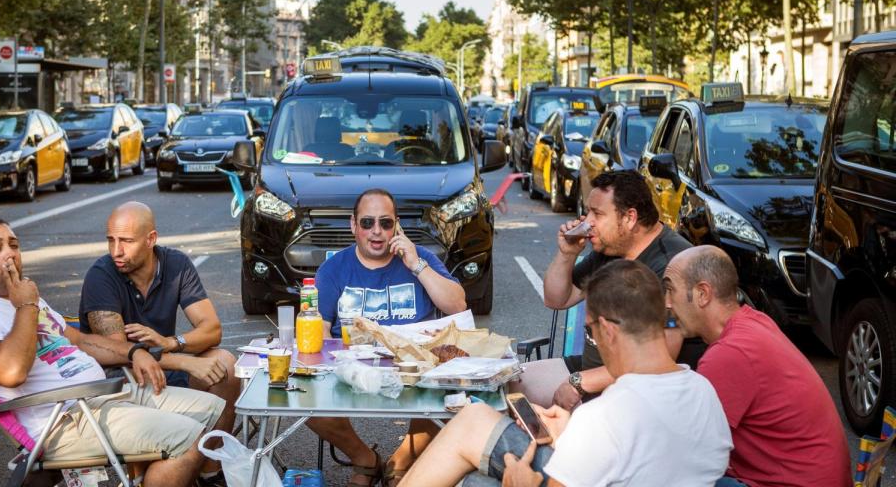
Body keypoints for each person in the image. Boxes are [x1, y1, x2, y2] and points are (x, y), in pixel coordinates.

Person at [399, 259, 732, 487]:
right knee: (476, 481)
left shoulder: (607, 415)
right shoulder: (705, 392)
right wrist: (571, 435)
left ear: (609, 331)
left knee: (473, 420)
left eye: (591, 331)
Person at [0, 217, 225, 487]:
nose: (10, 254)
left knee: (212, 410)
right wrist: (26, 307)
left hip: (102, 395)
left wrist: (134, 352)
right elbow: (11, 373)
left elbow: (79, 341)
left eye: (14, 245)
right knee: (190, 438)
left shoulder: (20, 294)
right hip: (66, 418)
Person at [313, 188, 466, 486]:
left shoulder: (419, 257)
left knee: (451, 397)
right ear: (353, 225)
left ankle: (400, 461)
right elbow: (318, 331)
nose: (377, 231)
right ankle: (364, 459)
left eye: (385, 223)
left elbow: (457, 304)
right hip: (351, 370)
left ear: (397, 225)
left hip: (415, 371)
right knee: (301, 397)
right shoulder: (333, 269)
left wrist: (415, 265)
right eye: (367, 223)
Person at [663, 245, 852, 487]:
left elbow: (687, 450)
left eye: (670, 290)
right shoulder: (754, 320)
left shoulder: (728, 354)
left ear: (702, 293)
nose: (667, 303)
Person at [79, 202, 240, 483]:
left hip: (163, 364)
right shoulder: (101, 275)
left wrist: (170, 342)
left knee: (225, 364)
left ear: (151, 239)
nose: (116, 250)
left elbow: (211, 329)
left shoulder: (175, 264)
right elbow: (121, 354)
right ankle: (154, 474)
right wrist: (184, 360)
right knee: (148, 376)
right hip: (121, 380)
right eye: (111, 240)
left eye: (126, 241)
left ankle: (210, 471)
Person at [520, 169, 695, 409]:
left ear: (629, 218)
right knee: (513, 382)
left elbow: (662, 358)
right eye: (588, 211)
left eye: (597, 213)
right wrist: (567, 254)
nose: (587, 221)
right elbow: (556, 299)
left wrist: (581, 382)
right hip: (591, 369)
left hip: (636, 387)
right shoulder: (610, 248)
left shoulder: (671, 265)